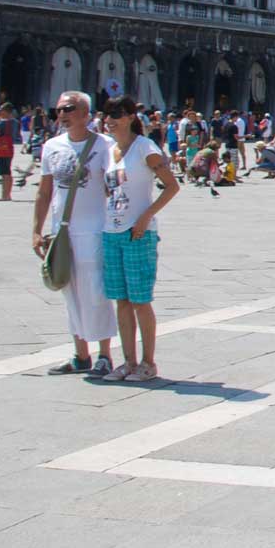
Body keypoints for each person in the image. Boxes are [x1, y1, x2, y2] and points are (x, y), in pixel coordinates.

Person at [32, 91, 119, 378]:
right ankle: (81, 355)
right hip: (62, 231)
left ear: (86, 113)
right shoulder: (51, 146)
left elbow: (115, 187)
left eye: (69, 108)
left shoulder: (105, 145)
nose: (62, 114)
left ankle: (105, 355)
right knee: (68, 291)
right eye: (58, 109)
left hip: (94, 230)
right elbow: (45, 191)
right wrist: (36, 230)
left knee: (96, 291)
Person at [100, 97, 178, 382]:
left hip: (138, 233)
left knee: (140, 300)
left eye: (117, 115)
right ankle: (128, 362)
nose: (110, 120)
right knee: (120, 300)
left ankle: (148, 363)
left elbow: (172, 186)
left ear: (132, 116)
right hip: (111, 231)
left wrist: (146, 217)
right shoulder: (109, 150)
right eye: (107, 114)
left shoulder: (145, 148)